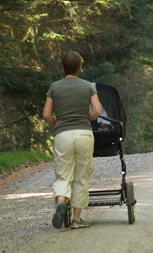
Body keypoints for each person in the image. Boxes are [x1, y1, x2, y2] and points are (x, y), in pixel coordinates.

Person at [42, 51, 102, 229]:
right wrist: (86, 118)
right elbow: (98, 111)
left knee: (63, 174)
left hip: (63, 134)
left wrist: (56, 124)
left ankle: (61, 200)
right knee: (81, 176)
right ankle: (76, 219)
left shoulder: (54, 87)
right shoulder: (87, 87)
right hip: (83, 133)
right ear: (80, 67)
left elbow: (46, 114)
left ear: (63, 67)